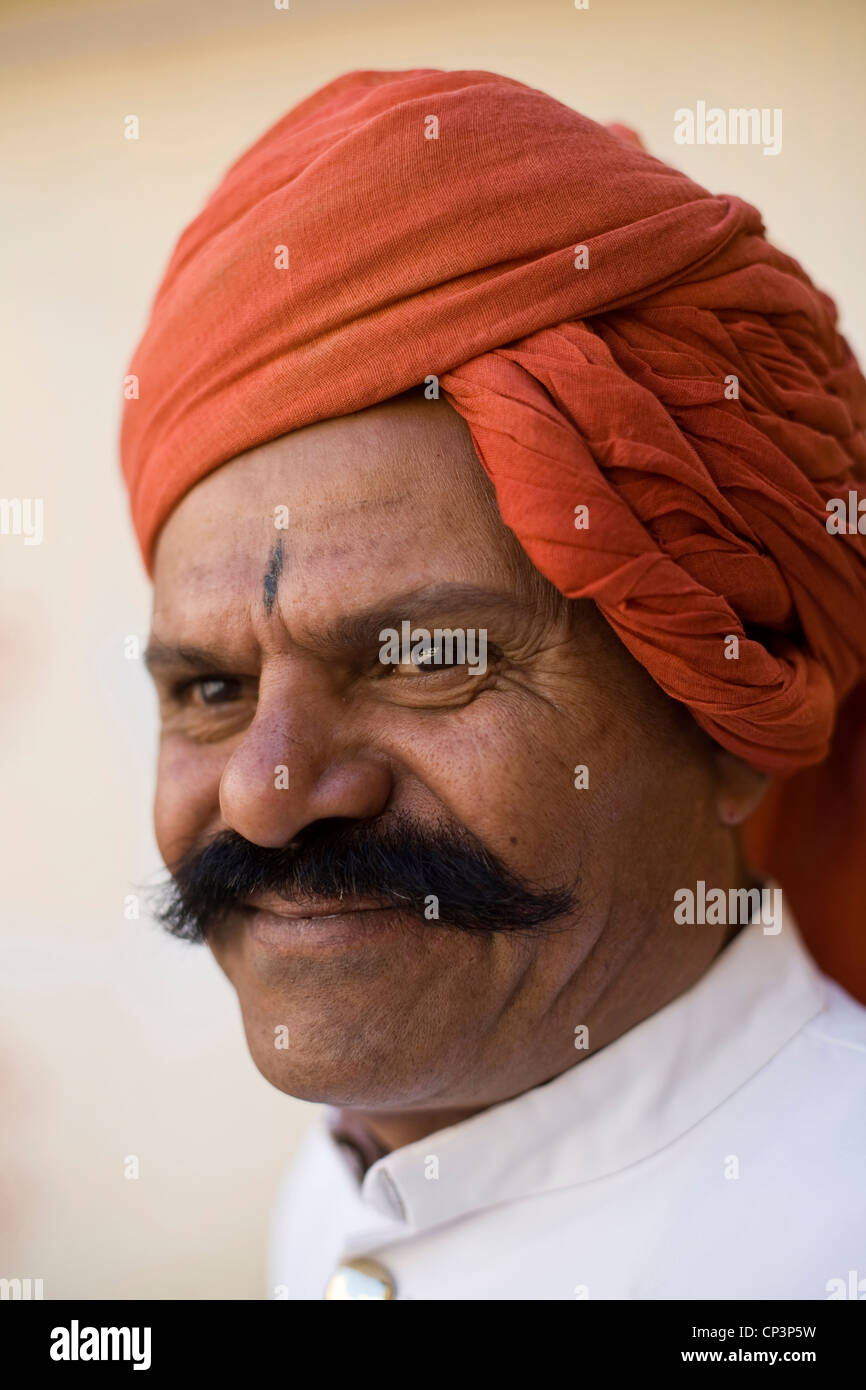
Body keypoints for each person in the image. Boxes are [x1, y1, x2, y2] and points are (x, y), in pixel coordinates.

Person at [120, 69, 866, 1301]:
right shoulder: (334, 1201)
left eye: (424, 659)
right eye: (207, 688)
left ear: (732, 714)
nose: (265, 795)